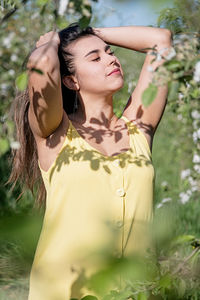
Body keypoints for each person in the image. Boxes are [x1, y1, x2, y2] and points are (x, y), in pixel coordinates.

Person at [10, 23, 172, 299]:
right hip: (65, 291)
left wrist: (93, 32)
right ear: (71, 81)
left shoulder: (138, 127)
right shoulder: (53, 132)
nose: (111, 59)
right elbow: (40, 65)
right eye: (95, 58)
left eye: (109, 53)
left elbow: (160, 40)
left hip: (136, 291)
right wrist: (50, 42)